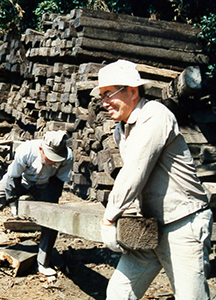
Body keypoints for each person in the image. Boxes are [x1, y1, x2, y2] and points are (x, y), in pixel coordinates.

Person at [90, 60, 212, 300]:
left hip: (183, 224)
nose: (104, 103)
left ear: (133, 91)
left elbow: (135, 172)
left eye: (108, 94)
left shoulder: (155, 115)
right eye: (101, 96)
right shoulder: (121, 130)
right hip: (150, 227)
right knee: (119, 293)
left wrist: (108, 219)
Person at [0, 130, 73, 276]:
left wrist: (50, 207)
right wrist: (12, 202)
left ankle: (43, 262)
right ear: (40, 149)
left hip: (44, 185)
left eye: (56, 159)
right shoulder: (26, 150)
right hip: (21, 179)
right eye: (50, 157)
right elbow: (13, 177)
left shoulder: (67, 157)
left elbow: (57, 184)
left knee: (53, 216)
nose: (53, 161)